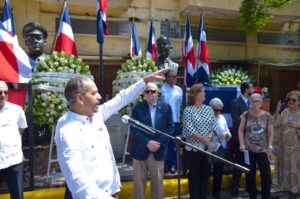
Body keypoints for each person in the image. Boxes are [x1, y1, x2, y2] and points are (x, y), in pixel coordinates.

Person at [55, 69, 168, 199]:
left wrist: (145, 81)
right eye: (94, 93)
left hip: (111, 193)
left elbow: (121, 98)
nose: (99, 96)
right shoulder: (67, 130)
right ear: (80, 98)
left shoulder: (97, 114)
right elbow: (77, 181)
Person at [130, 83, 174, 199]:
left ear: (157, 93)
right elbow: (133, 129)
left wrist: (157, 143)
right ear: (144, 94)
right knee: (139, 185)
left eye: (153, 91)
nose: (150, 94)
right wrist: (147, 143)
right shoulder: (137, 108)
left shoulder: (166, 108)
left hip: (158, 150)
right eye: (147, 91)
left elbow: (170, 128)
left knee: (158, 185)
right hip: (140, 150)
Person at [182, 83, 217, 199]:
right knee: (194, 177)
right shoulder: (188, 110)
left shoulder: (209, 109)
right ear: (196, 94)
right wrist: (207, 141)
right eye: (202, 91)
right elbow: (189, 130)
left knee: (205, 176)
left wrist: (209, 138)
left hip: (207, 150)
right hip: (194, 150)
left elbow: (214, 127)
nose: (204, 93)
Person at [238, 93, 274, 199]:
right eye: (253, 101)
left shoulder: (267, 115)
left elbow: (271, 133)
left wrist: (270, 147)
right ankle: (252, 196)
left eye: (258, 101)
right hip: (249, 149)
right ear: (250, 102)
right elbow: (240, 130)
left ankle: (266, 196)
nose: (255, 103)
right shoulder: (246, 114)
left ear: (261, 103)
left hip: (263, 149)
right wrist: (241, 144)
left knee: (266, 174)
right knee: (250, 174)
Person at [0, 81, 28, 199]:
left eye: (5, 92)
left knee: (17, 196)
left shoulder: (16, 110)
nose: (2, 95)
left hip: (14, 159)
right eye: (0, 92)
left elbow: (21, 128)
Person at [273, 91, 300, 197]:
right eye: (289, 99)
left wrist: (297, 126)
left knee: (297, 168)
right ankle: (289, 190)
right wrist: (277, 110)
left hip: (297, 148)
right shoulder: (285, 112)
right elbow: (276, 125)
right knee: (288, 168)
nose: (290, 101)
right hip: (285, 149)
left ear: (299, 102)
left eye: (294, 100)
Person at [230, 81, 253, 196]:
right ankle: (235, 188)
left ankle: (250, 187)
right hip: (239, 138)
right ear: (246, 90)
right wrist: (246, 116)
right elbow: (236, 121)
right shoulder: (236, 102)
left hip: (252, 139)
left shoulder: (253, 103)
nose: (253, 91)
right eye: (251, 88)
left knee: (250, 164)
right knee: (238, 164)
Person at [209, 98, 232, 199]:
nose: (218, 112)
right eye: (216, 110)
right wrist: (218, 137)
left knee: (218, 172)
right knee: (206, 171)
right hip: (209, 148)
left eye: (220, 110)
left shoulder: (222, 118)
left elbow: (228, 131)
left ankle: (216, 193)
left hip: (221, 148)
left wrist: (226, 134)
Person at [161, 70, 182, 174]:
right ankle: (165, 165)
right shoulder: (161, 89)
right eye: (173, 76)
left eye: (176, 76)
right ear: (167, 78)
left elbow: (180, 104)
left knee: (174, 144)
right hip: (164, 122)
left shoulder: (178, 90)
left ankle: (173, 165)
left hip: (176, 120)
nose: (175, 78)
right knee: (164, 143)